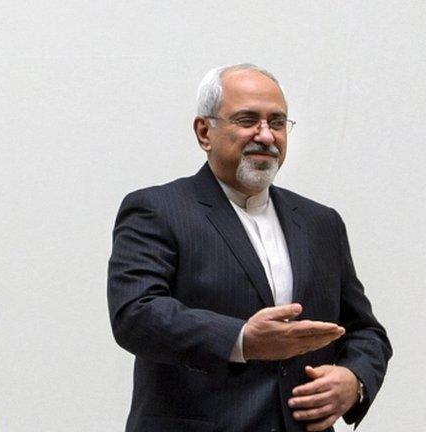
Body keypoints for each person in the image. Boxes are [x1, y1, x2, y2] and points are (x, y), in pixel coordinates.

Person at [107, 64, 391, 432]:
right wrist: (241, 340)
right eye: (247, 120)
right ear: (204, 131)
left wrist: (354, 380)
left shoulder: (321, 222)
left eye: (277, 122)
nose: (266, 136)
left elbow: (365, 331)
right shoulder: (158, 209)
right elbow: (136, 315)